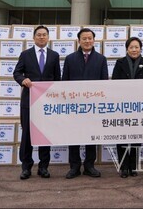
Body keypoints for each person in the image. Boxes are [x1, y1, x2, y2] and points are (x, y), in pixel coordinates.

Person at [12, 25, 60, 180]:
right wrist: (22, 80)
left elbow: (57, 79)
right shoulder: (25, 55)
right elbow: (17, 72)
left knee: (44, 134)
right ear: (34, 37)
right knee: (27, 135)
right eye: (38, 35)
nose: (41, 37)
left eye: (44, 35)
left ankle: (43, 167)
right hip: (29, 101)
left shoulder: (54, 55)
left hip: (47, 103)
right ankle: (26, 167)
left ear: (48, 37)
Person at [62, 27, 109, 179]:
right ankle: (74, 166)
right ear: (79, 40)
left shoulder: (101, 59)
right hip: (74, 105)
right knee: (73, 136)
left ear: (94, 40)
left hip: (93, 106)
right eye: (84, 38)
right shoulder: (70, 59)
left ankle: (89, 165)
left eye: (90, 38)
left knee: (91, 135)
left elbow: (104, 83)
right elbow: (64, 83)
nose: (87, 41)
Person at [111, 36, 143, 178]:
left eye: (136, 47)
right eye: (131, 47)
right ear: (127, 49)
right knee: (122, 136)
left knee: (136, 136)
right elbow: (115, 84)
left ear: (140, 49)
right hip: (122, 106)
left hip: (140, 106)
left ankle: (133, 166)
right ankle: (123, 166)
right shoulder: (120, 63)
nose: (134, 50)